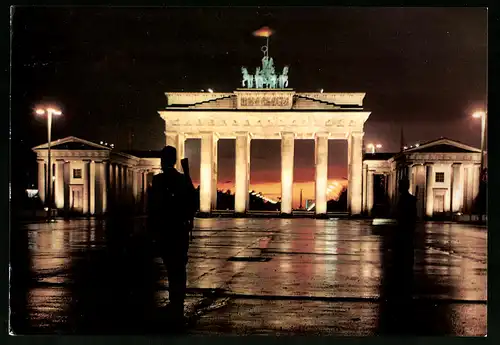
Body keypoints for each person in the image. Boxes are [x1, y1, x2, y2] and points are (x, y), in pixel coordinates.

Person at [147, 146, 196, 326]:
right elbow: (193, 202)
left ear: (162, 161)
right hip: (180, 231)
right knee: (179, 268)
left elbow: (153, 206)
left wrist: (152, 230)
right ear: (175, 161)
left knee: (170, 267)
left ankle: (174, 302)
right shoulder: (183, 179)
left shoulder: (158, 180)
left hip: (165, 230)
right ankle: (178, 303)